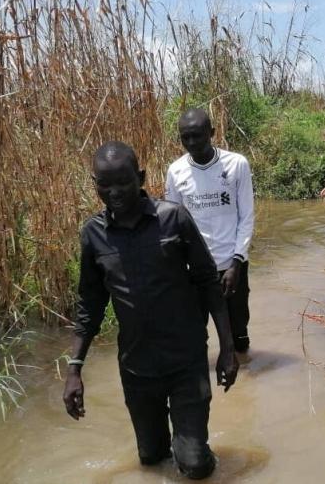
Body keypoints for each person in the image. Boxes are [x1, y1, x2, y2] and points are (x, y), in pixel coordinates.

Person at [63, 141, 238, 480]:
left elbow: (208, 284)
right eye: (104, 184)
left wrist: (228, 349)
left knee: (195, 466)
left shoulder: (173, 219)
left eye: (123, 181)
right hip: (137, 368)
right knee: (151, 459)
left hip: (185, 361)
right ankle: (181, 444)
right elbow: (90, 304)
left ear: (140, 177)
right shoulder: (93, 235)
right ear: (94, 184)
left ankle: (196, 448)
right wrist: (75, 369)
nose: (114, 192)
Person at [165, 109, 255, 354]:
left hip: (232, 265)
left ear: (212, 133)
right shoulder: (176, 171)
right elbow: (173, 222)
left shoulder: (237, 164)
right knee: (195, 335)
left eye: (198, 136)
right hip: (194, 269)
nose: (192, 143)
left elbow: (246, 217)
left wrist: (237, 262)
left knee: (238, 334)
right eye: (186, 137)